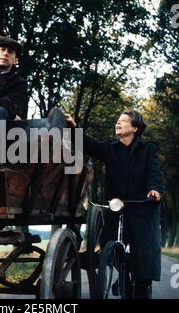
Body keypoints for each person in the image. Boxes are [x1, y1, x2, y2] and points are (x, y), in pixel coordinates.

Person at [65, 110, 164, 299]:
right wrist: (73, 127)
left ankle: (143, 286)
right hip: (117, 206)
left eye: (123, 121)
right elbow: (88, 145)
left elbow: (154, 172)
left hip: (142, 207)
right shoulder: (110, 147)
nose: (117, 123)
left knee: (143, 256)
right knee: (109, 246)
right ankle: (121, 275)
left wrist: (154, 190)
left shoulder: (148, 149)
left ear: (135, 128)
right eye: (117, 121)